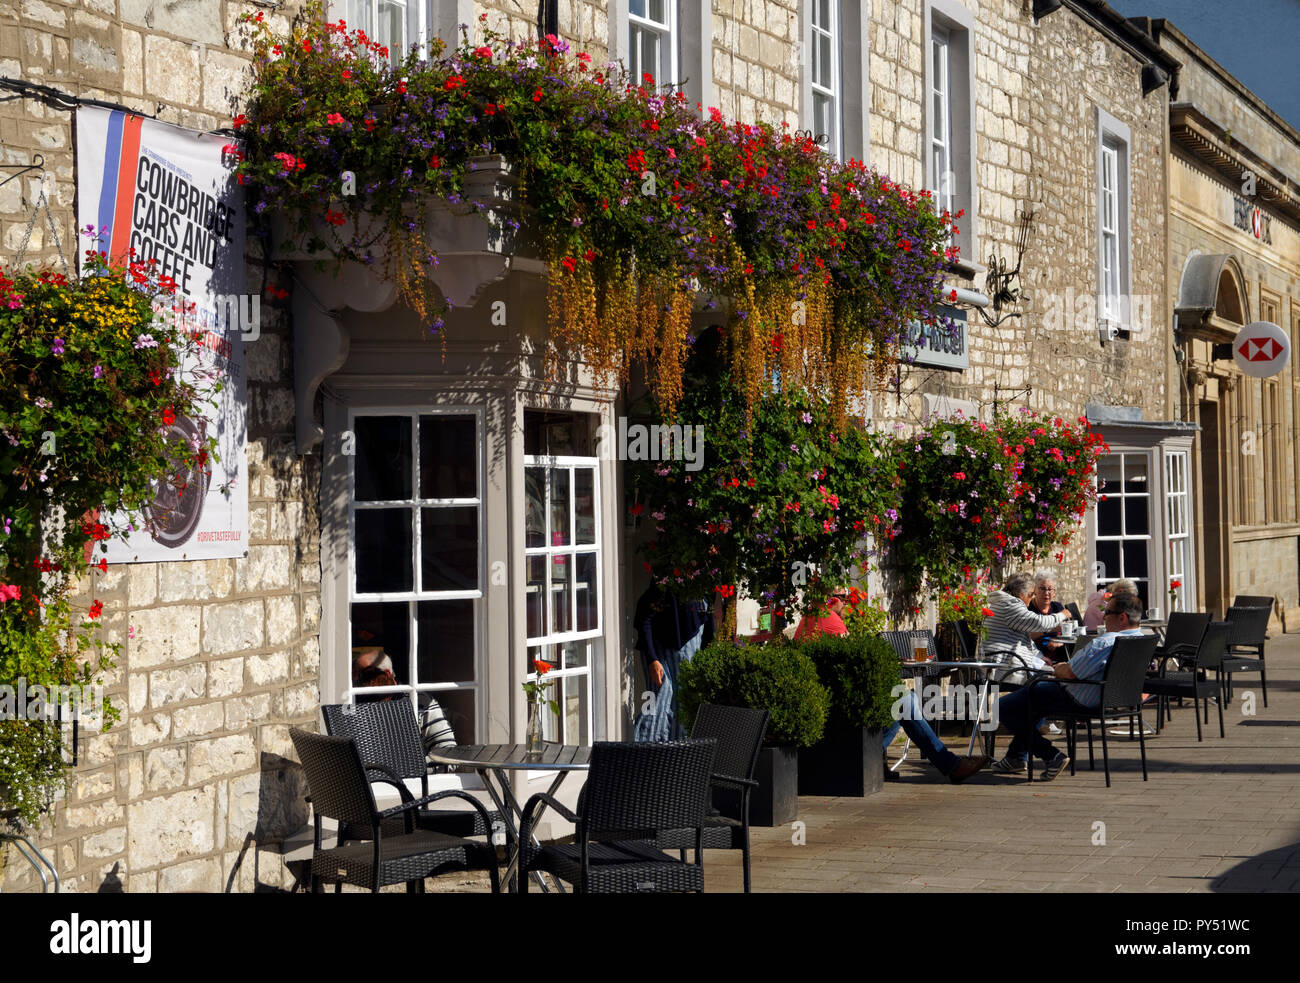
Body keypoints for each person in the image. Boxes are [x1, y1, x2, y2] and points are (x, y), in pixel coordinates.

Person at [796, 589, 989, 783]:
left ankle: (876, 758)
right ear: (831, 600)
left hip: (826, 693)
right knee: (905, 700)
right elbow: (853, 657)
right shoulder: (829, 618)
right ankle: (950, 765)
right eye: (843, 598)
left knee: (906, 698)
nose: (847, 603)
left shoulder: (810, 617)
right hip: (837, 698)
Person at [992, 592, 1145, 781]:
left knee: (1003, 707)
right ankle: (1015, 757)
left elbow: (1070, 673)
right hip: (1111, 699)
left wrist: (1058, 667)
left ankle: (1051, 755)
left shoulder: (1106, 642)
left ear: (1122, 617)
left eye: (1108, 612)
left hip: (1077, 698)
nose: (1104, 617)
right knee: (1031, 703)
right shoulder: (1141, 639)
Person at [632, 587, 714, 742]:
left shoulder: (700, 587)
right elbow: (645, 618)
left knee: (684, 701)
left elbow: (707, 621)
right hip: (658, 654)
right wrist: (652, 659)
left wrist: (708, 656)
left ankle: (679, 753)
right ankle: (649, 749)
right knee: (658, 700)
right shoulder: (662, 587)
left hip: (689, 650)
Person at [982, 571, 1075, 687]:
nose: (1032, 598)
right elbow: (1040, 622)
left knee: (1054, 676)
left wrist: (1040, 657)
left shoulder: (1006, 603)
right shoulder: (1010, 605)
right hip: (1006, 671)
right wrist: (1062, 615)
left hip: (1010, 665)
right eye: (1031, 594)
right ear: (1021, 594)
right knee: (1057, 683)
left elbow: (1023, 638)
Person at [1028, 570, 1066, 661]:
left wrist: (1058, 641)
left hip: (1059, 656)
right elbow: (1025, 636)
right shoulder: (1028, 608)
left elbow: (1068, 631)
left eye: (1050, 589)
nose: (1046, 593)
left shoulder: (1057, 608)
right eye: (1042, 588)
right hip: (1034, 657)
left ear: (1054, 593)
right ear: (1035, 590)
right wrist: (1049, 629)